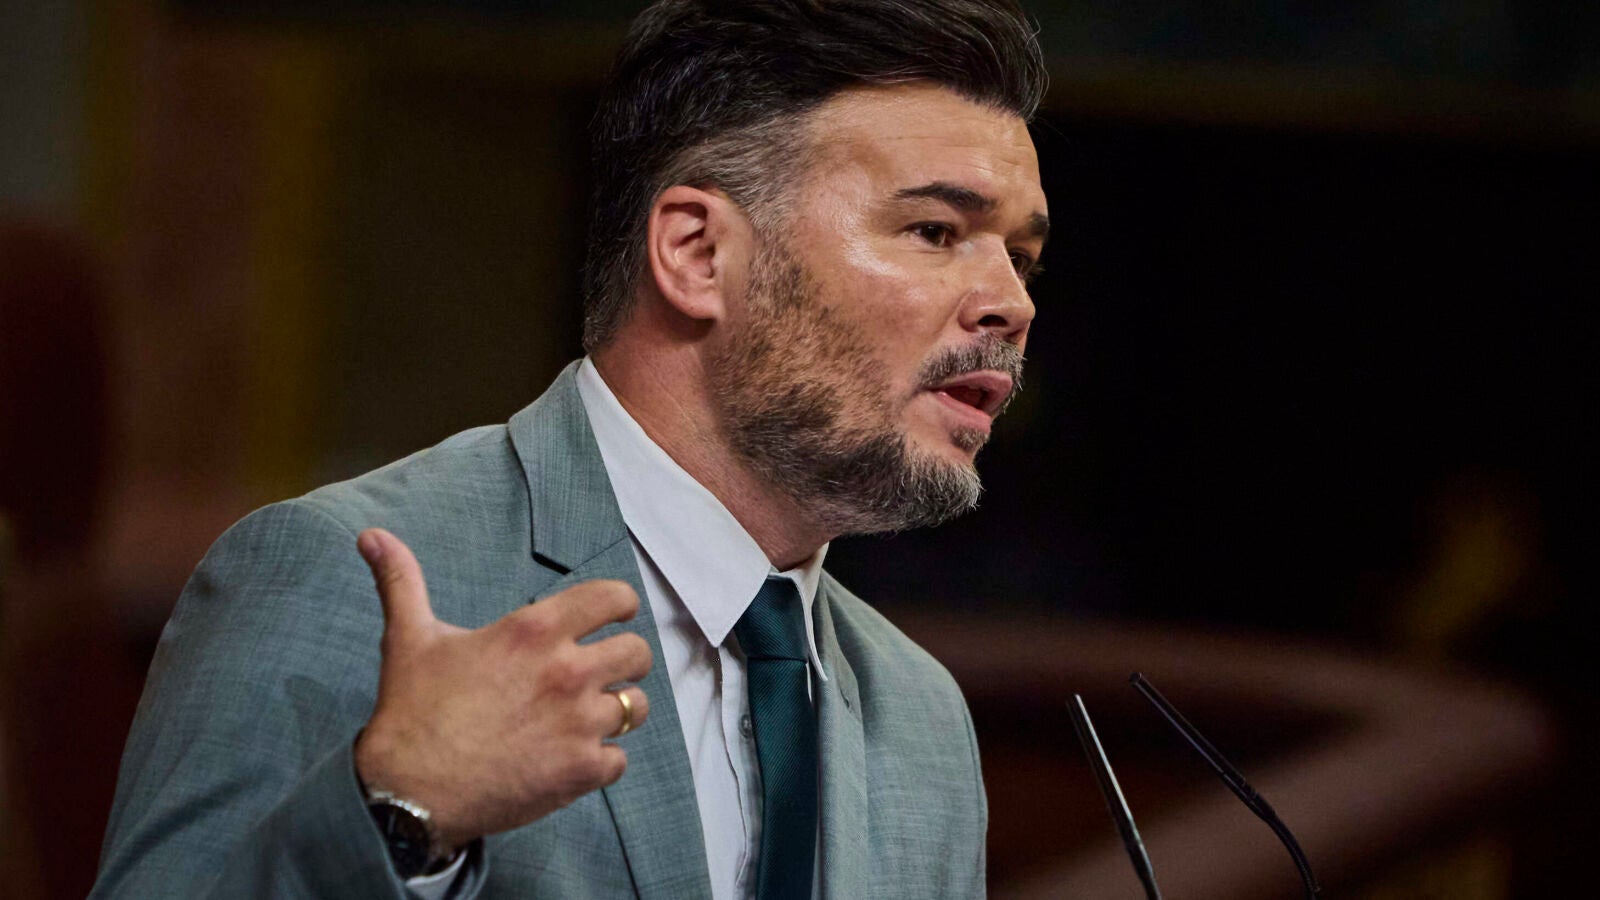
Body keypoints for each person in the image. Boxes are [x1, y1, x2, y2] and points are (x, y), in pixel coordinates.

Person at [91, 1, 1049, 897]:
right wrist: (401, 813)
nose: (1012, 303)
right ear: (697, 253)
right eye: (936, 231)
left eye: (1022, 258)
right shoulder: (340, 575)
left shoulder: (921, 718)